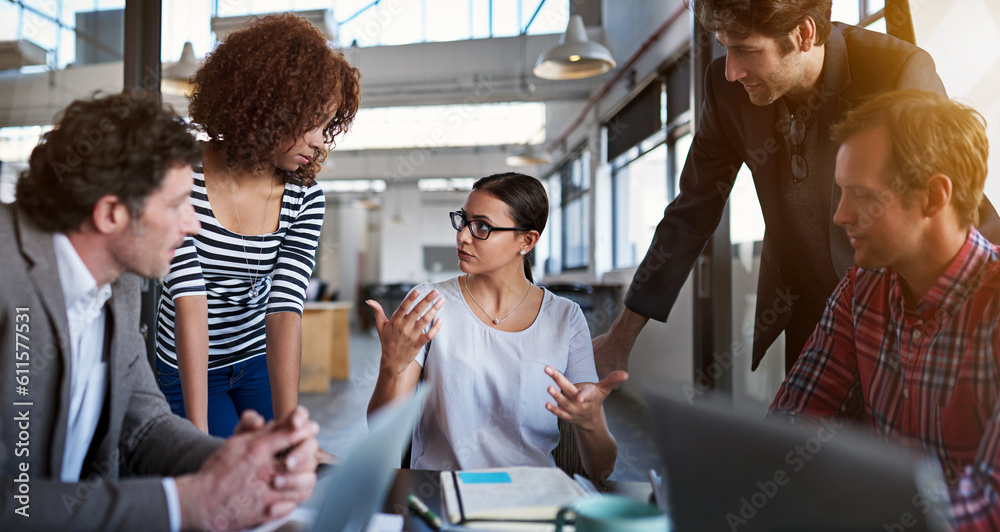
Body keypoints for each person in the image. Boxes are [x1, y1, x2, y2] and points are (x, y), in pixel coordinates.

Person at [592, 0, 1000, 378]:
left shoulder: (896, 71)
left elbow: (954, 206)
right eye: (724, 48)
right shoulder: (725, 88)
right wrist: (620, 337)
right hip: (810, 317)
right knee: (802, 444)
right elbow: (692, 209)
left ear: (804, 35)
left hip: (896, 315)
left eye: (747, 50)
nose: (732, 69)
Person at [0, 90, 319, 531]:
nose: (193, 223)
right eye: (176, 205)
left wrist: (229, 461)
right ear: (111, 214)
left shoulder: (122, 282)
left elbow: (145, 424)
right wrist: (183, 502)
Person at [769, 89, 1000, 529]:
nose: (840, 215)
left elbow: (989, 507)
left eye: (860, 194)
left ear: (934, 197)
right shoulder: (861, 291)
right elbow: (792, 428)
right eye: (841, 192)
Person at [154, 14, 360, 437]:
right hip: (188, 363)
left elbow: (286, 308)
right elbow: (188, 300)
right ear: (265, 110)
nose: (321, 141)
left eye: (327, 126)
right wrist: (196, 439)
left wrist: (290, 431)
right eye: (312, 123)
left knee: (275, 462)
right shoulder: (178, 174)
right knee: (223, 470)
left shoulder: (305, 197)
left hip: (255, 359)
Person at [366, 173, 628, 480]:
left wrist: (589, 422)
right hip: (441, 491)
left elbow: (602, 468)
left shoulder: (564, 318)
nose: (462, 236)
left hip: (529, 497)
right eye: (463, 221)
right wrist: (391, 367)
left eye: (481, 227)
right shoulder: (429, 302)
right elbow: (382, 431)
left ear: (526, 241)